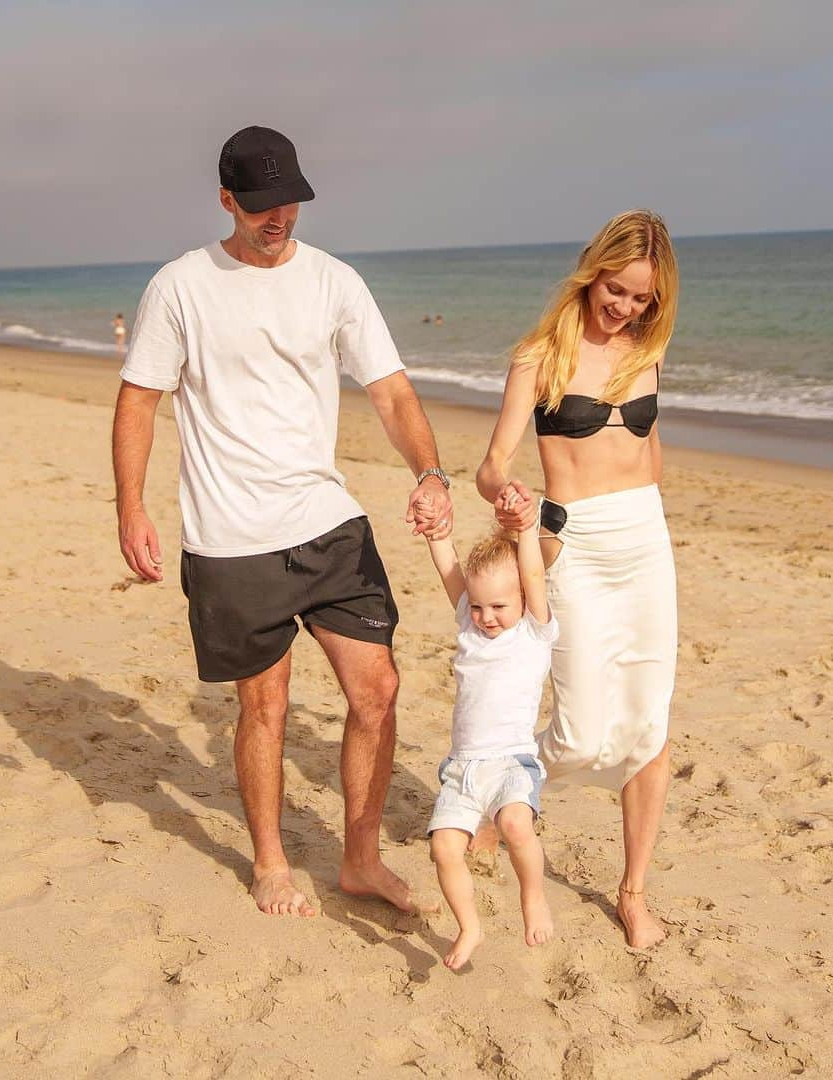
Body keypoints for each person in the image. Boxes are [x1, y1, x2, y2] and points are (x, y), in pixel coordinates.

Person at [111, 125, 454, 918]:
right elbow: (140, 399)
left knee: (379, 689)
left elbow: (393, 390)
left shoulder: (335, 282)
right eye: (262, 206)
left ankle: (359, 859)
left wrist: (429, 473)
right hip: (232, 538)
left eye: (290, 202)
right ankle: (270, 859)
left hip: (327, 522)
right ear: (227, 200)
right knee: (265, 705)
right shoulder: (181, 287)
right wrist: (131, 506)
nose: (279, 219)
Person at [476, 210, 679, 948]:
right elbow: (493, 462)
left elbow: (651, 452)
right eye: (617, 290)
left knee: (651, 723)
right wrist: (509, 494)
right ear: (593, 271)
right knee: (584, 728)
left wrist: (654, 524)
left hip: (646, 540)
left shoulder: (649, 351)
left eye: (641, 298)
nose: (624, 307)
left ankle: (633, 892)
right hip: (577, 543)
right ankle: (503, 783)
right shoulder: (540, 356)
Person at [421, 490, 556, 969]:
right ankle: (469, 926)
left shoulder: (533, 632)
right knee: (444, 847)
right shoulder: (469, 625)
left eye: (498, 606)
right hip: (461, 769)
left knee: (515, 823)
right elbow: (448, 569)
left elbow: (534, 571)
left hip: (511, 762)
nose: (486, 617)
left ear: (522, 597)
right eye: (478, 607)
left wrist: (523, 529)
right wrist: (437, 532)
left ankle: (533, 897)